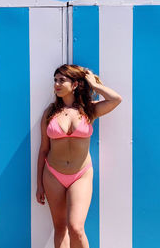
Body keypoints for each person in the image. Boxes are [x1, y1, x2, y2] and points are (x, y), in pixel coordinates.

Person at [36, 64, 122, 248]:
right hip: (52, 175)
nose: (56, 84)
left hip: (80, 175)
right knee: (60, 228)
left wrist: (94, 84)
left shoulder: (88, 110)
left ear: (75, 84)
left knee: (76, 228)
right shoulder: (49, 113)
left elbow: (116, 99)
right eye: (55, 80)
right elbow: (43, 149)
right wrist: (39, 185)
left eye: (62, 80)